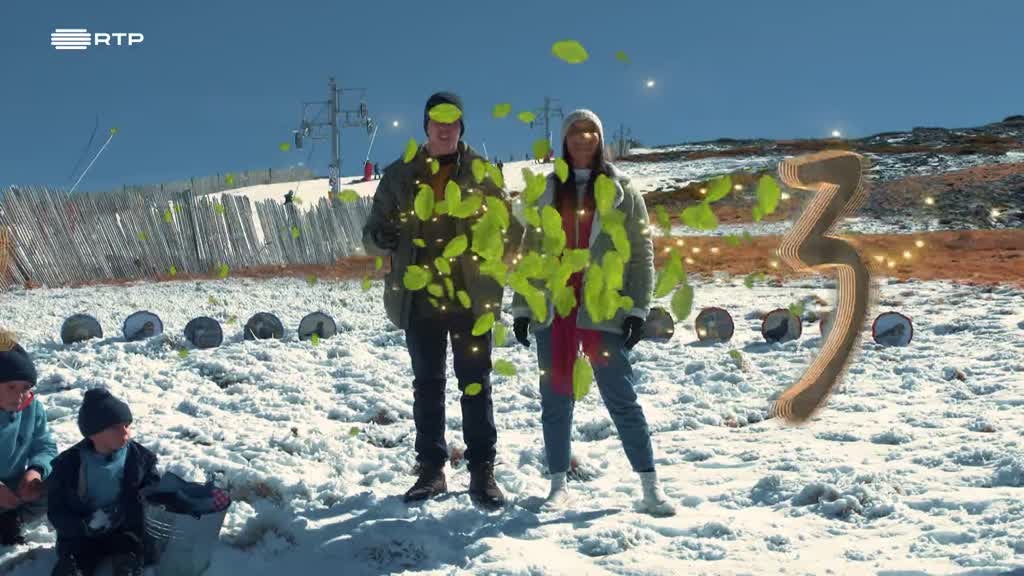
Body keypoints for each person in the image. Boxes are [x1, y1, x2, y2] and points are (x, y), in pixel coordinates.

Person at [510, 109, 676, 516]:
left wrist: (638, 307)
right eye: (574, 133)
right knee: (556, 399)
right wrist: (521, 306)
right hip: (555, 309)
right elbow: (530, 251)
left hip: (603, 308)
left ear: (599, 140)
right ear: (564, 140)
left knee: (621, 397)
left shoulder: (622, 190)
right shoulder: (547, 190)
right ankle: (557, 486)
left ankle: (650, 487)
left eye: (590, 133)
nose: (583, 140)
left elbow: (640, 251)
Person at [362, 92, 521, 508]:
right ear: (427, 126)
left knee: (475, 383)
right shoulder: (399, 176)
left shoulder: (484, 174)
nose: (445, 128)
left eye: (453, 121)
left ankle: (482, 471)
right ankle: (431, 470)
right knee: (427, 385)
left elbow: (508, 227)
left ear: (461, 126)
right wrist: (381, 239)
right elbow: (372, 231)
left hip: (472, 296)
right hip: (420, 298)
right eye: (437, 120)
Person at [48, 388, 160, 576]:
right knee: (72, 564)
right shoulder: (68, 465)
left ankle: (126, 562)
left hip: (124, 530)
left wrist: (130, 510)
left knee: (129, 553)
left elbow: (152, 490)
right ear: (93, 433)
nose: (125, 432)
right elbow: (56, 508)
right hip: (82, 534)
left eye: (127, 425)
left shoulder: (140, 459)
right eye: (116, 427)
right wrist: (81, 525)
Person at [0, 340, 58, 546]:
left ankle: (11, 520)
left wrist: (35, 471)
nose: (20, 395)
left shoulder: (32, 409)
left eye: (26, 387)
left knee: (54, 488)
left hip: (14, 484)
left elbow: (45, 446)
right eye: (11, 387)